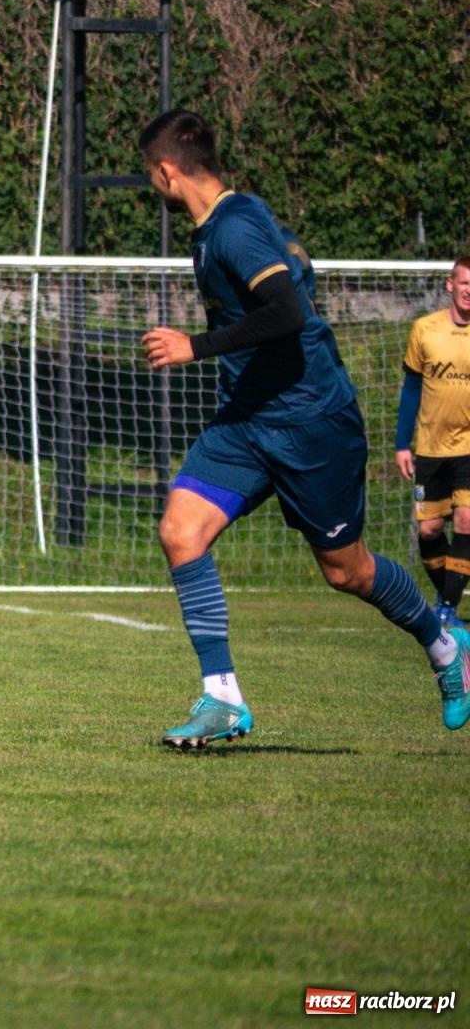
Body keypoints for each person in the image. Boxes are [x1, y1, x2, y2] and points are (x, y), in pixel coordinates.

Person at [136, 108, 469, 747]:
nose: (154, 185)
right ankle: (222, 698)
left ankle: (445, 647)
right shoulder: (233, 218)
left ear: (168, 171)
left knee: (347, 572)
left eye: (152, 175)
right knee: (181, 532)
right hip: (246, 421)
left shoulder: (233, 228)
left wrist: (194, 346)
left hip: (311, 423)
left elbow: (287, 309)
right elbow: (294, 272)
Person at [395, 255, 470, 632]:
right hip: (429, 448)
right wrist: (401, 443)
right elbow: (411, 389)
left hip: (468, 448)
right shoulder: (424, 329)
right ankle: (447, 596)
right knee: (429, 531)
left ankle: (446, 609)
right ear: (450, 285)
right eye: (465, 282)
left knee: (467, 521)